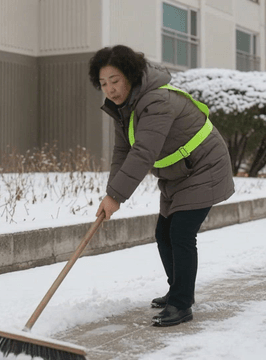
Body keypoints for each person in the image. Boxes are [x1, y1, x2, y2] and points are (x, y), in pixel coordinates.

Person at [89, 45, 235, 326]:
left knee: (181, 232)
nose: (110, 89)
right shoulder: (125, 107)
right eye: (104, 83)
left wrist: (116, 196)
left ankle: (181, 304)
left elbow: (144, 152)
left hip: (204, 166)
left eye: (115, 81)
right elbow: (123, 152)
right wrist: (111, 194)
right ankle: (177, 291)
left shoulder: (156, 101)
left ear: (130, 76)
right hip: (178, 172)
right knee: (163, 232)